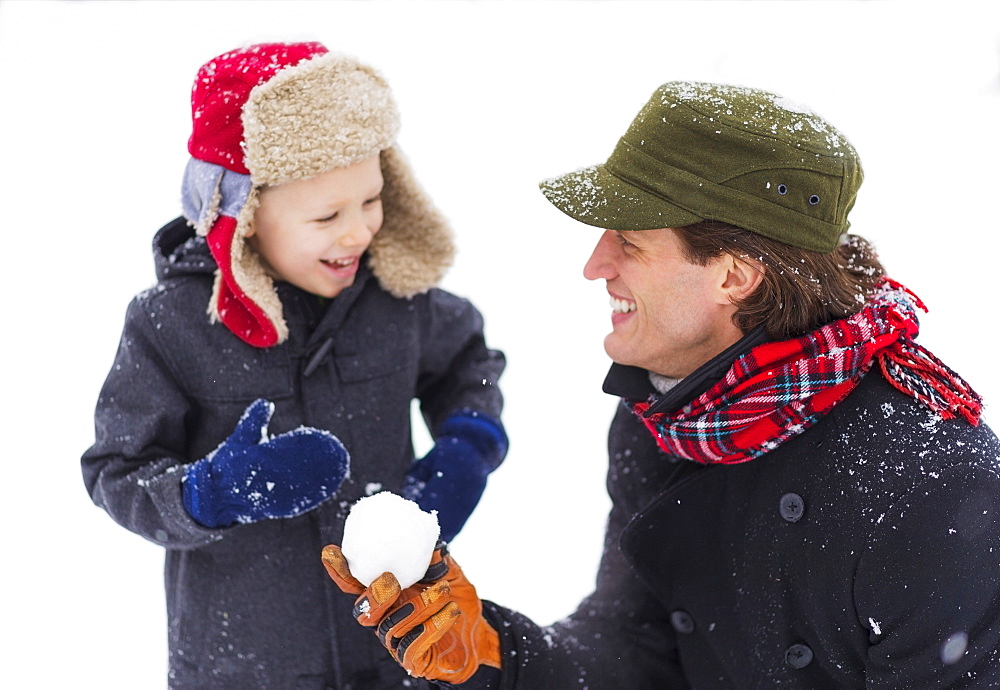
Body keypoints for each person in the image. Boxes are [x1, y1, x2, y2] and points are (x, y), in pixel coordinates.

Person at [322, 81, 1000, 688]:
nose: (595, 264)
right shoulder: (678, 411)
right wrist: (494, 650)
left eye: (631, 240)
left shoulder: (927, 483)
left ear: (732, 276)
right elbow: (639, 647)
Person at [82, 41, 508, 689]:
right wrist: (206, 494)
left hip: (399, 647)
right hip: (245, 663)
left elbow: (467, 363)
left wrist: (467, 447)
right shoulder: (171, 322)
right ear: (244, 217)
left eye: (372, 200)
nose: (359, 232)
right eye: (327, 215)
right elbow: (117, 471)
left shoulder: (396, 298)